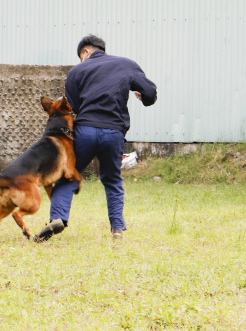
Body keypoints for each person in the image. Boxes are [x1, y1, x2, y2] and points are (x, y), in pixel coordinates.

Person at [33, 35, 157, 242]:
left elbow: (70, 108)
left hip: (86, 131)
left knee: (67, 177)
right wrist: (143, 97)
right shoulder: (127, 64)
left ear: (86, 53)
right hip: (114, 132)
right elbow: (150, 92)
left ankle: (58, 218)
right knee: (112, 179)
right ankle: (117, 229)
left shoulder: (77, 71)